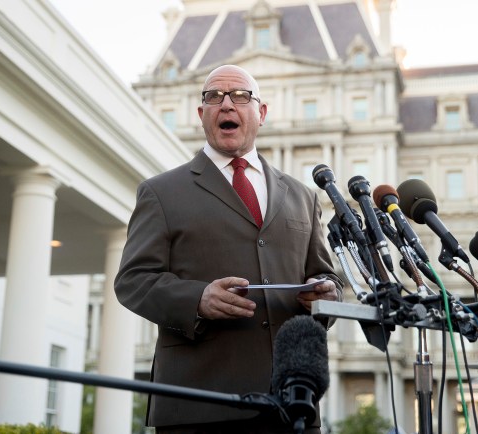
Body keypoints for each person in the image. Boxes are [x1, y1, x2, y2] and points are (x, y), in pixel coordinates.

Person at [114, 64, 343, 434]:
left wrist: (326, 292)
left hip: (292, 406)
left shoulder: (303, 196)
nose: (226, 104)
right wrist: (198, 299)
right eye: (213, 96)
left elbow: (327, 277)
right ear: (201, 113)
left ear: (261, 113)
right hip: (199, 405)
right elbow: (133, 281)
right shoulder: (161, 192)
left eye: (240, 96)